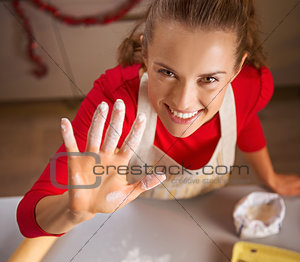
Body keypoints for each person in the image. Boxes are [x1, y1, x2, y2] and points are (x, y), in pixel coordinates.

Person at [17, 0, 300, 238]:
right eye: (166, 72)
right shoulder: (115, 103)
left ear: (237, 69)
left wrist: (269, 177)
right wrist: (72, 210)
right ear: (146, 53)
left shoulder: (253, 85)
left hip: (206, 216)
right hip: (134, 220)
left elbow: (245, 122)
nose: (182, 102)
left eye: (209, 79)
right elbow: (28, 218)